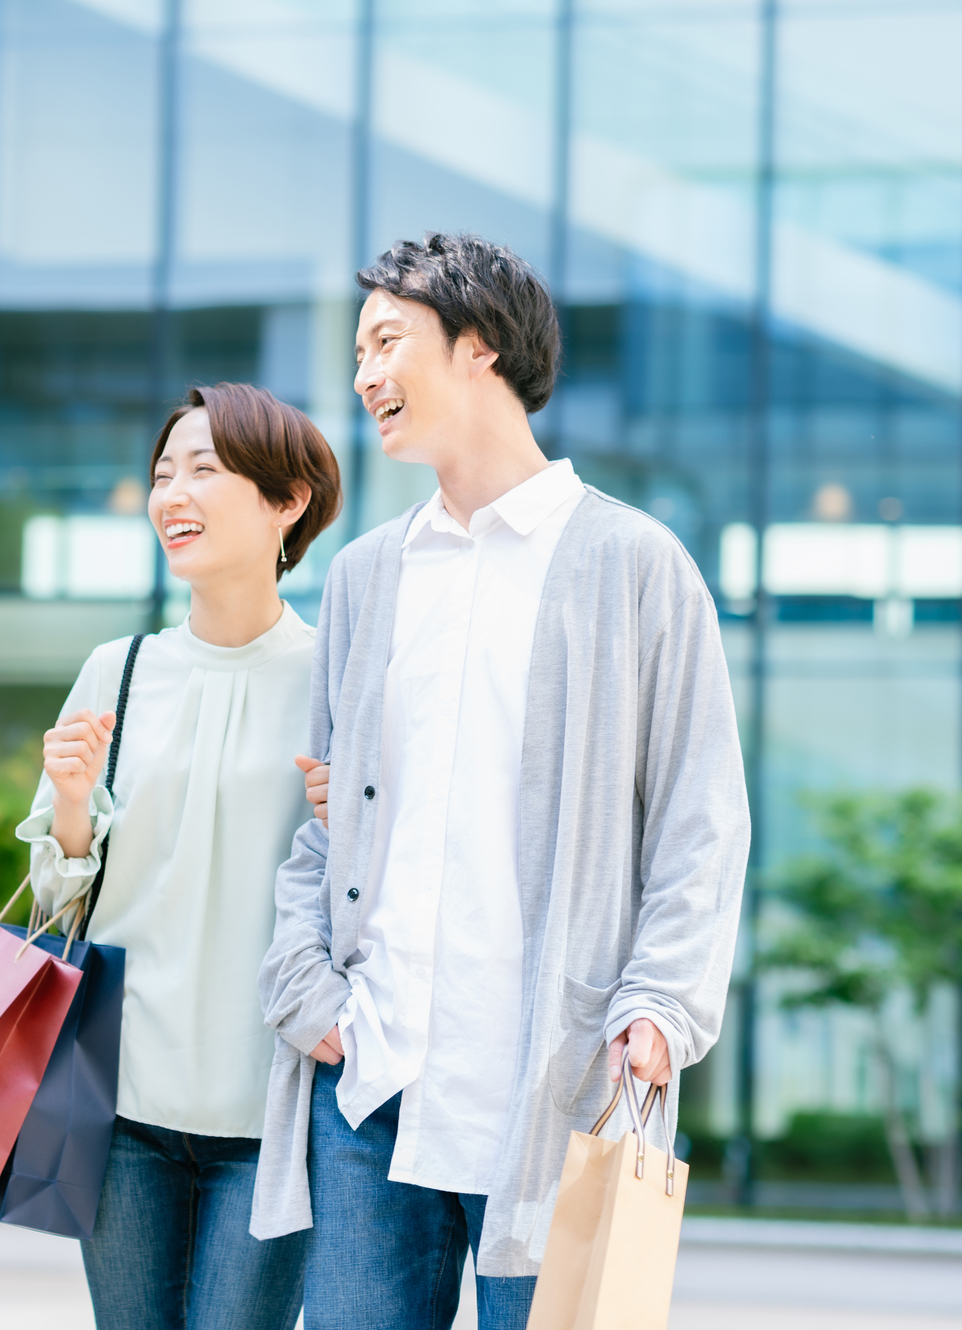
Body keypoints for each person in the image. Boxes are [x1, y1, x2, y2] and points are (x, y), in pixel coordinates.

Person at [252, 234, 749, 1330]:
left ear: (478, 347)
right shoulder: (368, 575)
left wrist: (660, 1006)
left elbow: (698, 820)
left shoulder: (631, 562)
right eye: (355, 352)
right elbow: (321, 825)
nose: (362, 376)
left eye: (385, 342)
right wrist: (306, 991)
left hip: (561, 1094)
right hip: (369, 1092)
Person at [21, 382, 340, 1330]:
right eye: (164, 473)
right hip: (119, 1101)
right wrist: (73, 805)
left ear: (288, 503)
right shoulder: (117, 669)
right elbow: (56, 897)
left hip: (272, 1109)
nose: (173, 494)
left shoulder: (338, 677)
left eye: (205, 469)